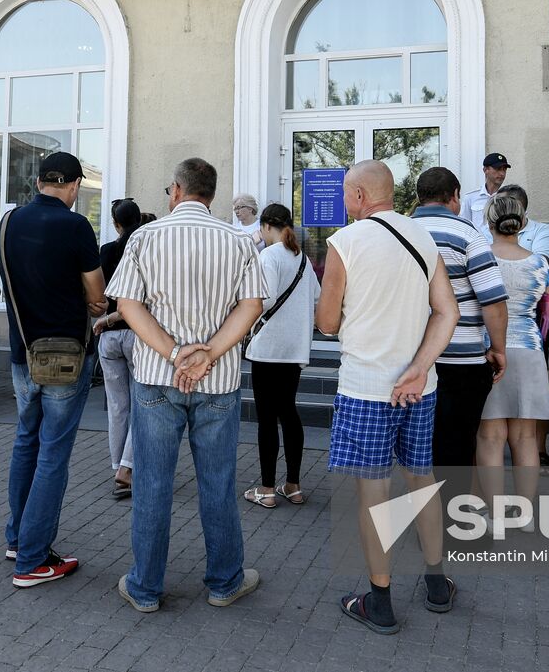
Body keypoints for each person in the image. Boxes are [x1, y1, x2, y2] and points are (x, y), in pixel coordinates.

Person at [107, 157, 266, 612]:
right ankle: (224, 582)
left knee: (152, 484)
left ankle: (145, 587)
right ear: (211, 194)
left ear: (176, 190)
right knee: (217, 483)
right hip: (218, 380)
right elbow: (251, 306)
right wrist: (209, 353)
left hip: (157, 378)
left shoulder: (144, 237)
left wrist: (175, 353)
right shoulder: (238, 241)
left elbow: (129, 306)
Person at [316, 160, 458, 635]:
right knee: (422, 480)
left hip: (366, 389)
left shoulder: (345, 242)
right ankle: (437, 585)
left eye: (344, 193)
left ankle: (380, 602)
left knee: (373, 495)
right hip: (421, 387)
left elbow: (328, 323)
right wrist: (420, 366)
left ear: (358, 196)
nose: (342, 201)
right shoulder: (423, 237)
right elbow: (447, 312)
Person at [0, 152, 107, 587]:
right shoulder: (76, 225)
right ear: (75, 185)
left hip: (23, 353)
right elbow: (97, 293)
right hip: (66, 355)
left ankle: (17, 537)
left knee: (26, 440)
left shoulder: (8, 222)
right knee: (53, 453)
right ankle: (33, 558)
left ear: (38, 180)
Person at [411, 167, 508, 480]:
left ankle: (425, 518)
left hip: (411, 358)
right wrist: (497, 348)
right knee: (457, 445)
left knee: (418, 445)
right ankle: (452, 519)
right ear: (454, 196)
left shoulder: (401, 232)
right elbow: (492, 300)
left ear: (419, 197)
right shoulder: (468, 234)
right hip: (461, 359)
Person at [476, 188, 549, 519]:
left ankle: (494, 514)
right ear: (522, 223)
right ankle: (525, 515)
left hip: (488, 350)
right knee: (525, 438)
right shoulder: (540, 263)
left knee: (491, 437)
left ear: (488, 221)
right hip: (529, 350)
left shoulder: (479, 258)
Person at [242, 203, 320, 510]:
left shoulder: (268, 256)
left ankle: (266, 489)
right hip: (295, 348)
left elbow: (265, 298)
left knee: (266, 419)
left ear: (264, 227)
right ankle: (294, 485)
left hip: (268, 348)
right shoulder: (302, 259)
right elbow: (315, 297)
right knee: (289, 412)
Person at [96, 198, 144, 499]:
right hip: (139, 333)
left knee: (117, 406)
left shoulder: (106, 251)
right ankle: (127, 466)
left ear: (116, 224)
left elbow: (99, 294)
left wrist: (102, 317)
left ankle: (118, 466)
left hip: (109, 333)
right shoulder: (145, 248)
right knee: (142, 403)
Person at [458, 152, 509, 241]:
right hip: (477, 246)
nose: (502, 173)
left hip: (503, 246)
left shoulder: (509, 197)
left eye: (504, 169)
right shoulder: (471, 197)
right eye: (498, 169)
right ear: (485, 170)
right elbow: (464, 226)